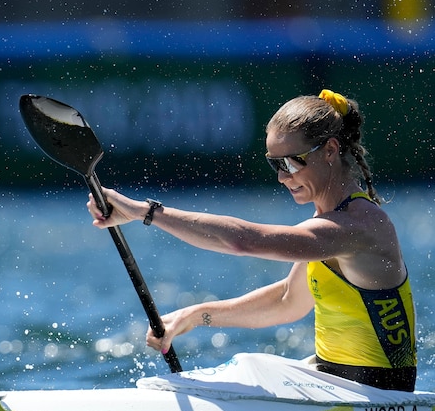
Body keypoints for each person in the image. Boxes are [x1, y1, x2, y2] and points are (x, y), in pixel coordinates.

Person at [87, 90, 416, 392]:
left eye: (291, 162)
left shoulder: (362, 225)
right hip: (334, 382)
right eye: (275, 163)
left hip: (378, 398)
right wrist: (194, 315)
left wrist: (146, 212)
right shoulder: (325, 224)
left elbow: (244, 241)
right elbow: (288, 300)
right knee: (248, 365)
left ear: (330, 150)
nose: (282, 176)